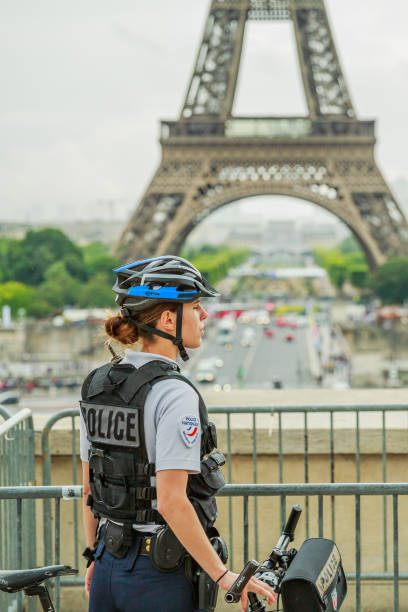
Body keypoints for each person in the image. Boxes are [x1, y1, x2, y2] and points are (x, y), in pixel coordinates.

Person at [80, 255, 276, 612]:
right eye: (197, 306)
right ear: (169, 318)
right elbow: (171, 502)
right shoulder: (174, 393)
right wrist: (221, 574)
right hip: (157, 575)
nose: (204, 316)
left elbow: (90, 489)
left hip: (108, 562)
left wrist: (94, 556)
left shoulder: (96, 385)